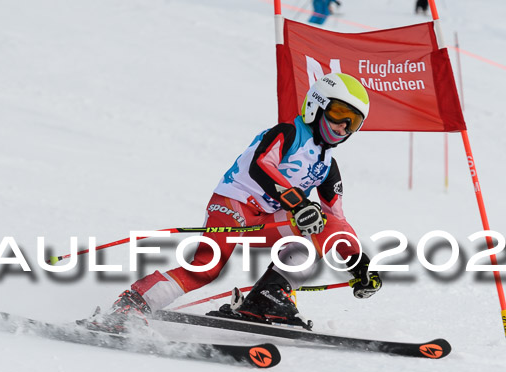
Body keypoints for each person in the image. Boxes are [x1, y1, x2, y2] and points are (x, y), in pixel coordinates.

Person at [81, 72, 382, 333]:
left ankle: (266, 297)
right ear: (317, 104)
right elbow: (261, 165)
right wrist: (298, 202)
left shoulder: (328, 166)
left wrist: (358, 265)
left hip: (265, 222)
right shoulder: (288, 133)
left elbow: (337, 221)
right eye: (339, 113)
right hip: (233, 205)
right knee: (206, 267)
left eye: (352, 121)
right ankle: (132, 305)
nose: (343, 126)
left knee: (321, 226)